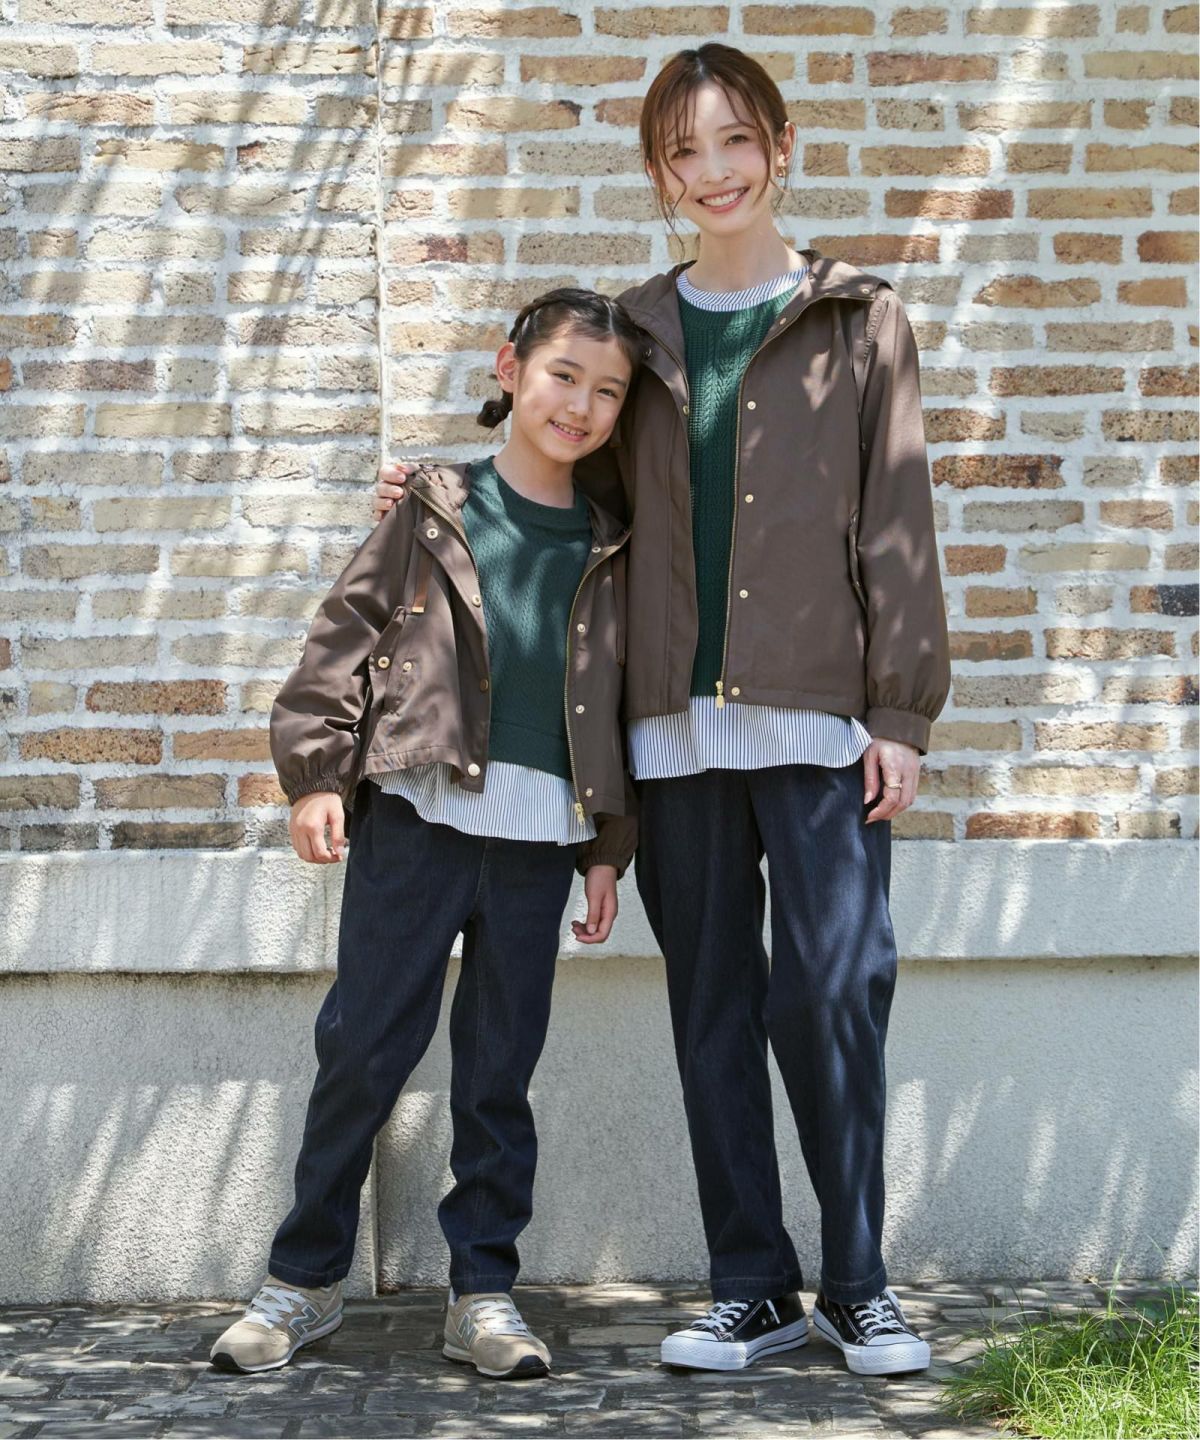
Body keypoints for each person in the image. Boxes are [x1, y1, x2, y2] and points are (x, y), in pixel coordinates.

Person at [376, 44, 950, 1379]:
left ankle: (860, 1285)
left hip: (822, 728)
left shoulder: (861, 320)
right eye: (684, 151)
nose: (714, 172)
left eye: (735, 140)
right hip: (670, 735)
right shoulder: (634, 333)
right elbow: (568, 481)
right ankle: (751, 1285)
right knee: (711, 1008)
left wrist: (902, 714)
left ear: (781, 145)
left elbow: (899, 521)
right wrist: (446, 494)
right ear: (658, 172)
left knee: (835, 991)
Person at [210, 288, 641, 1380]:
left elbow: (623, 698)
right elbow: (343, 637)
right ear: (510, 368)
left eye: (607, 392)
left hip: (541, 840)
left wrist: (607, 848)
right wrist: (315, 776)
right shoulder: (434, 506)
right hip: (419, 818)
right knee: (363, 1049)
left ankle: (483, 1292)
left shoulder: (616, 537)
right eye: (563, 376)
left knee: (498, 1073)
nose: (580, 405)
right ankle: (304, 1280)